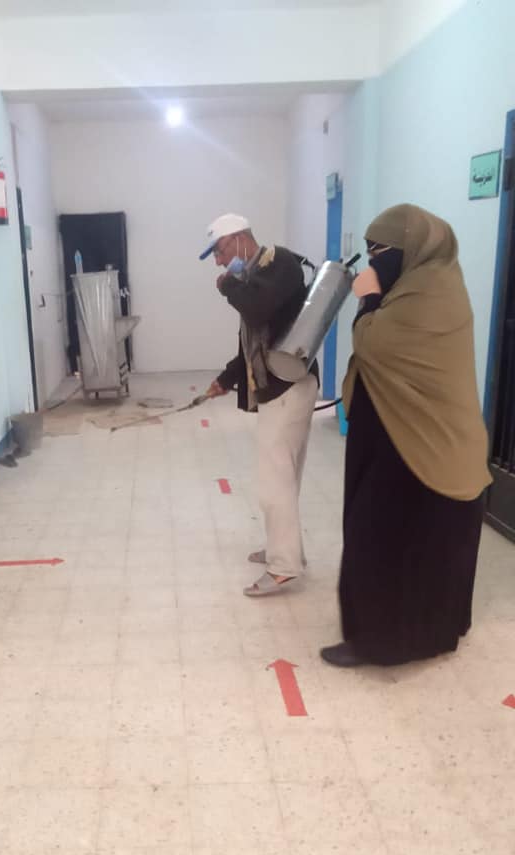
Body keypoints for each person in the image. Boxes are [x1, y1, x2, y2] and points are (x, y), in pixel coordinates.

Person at [321, 203, 492, 668]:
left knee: (379, 538)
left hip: (422, 450)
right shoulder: (422, 287)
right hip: (405, 440)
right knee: (408, 543)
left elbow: (373, 342)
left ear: (412, 249)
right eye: (368, 251)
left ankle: (378, 642)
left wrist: (368, 299)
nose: (373, 261)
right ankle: (427, 630)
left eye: (380, 252)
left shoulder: (428, 295)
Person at [200, 213, 318, 596]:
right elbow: (251, 343)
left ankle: (283, 566)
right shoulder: (254, 275)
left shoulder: (279, 263)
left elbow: (256, 309)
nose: (219, 261)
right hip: (278, 387)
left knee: (272, 480)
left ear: (238, 239)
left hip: (288, 386)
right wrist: (225, 379)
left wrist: (228, 285)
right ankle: (285, 550)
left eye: (219, 251)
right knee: (283, 477)